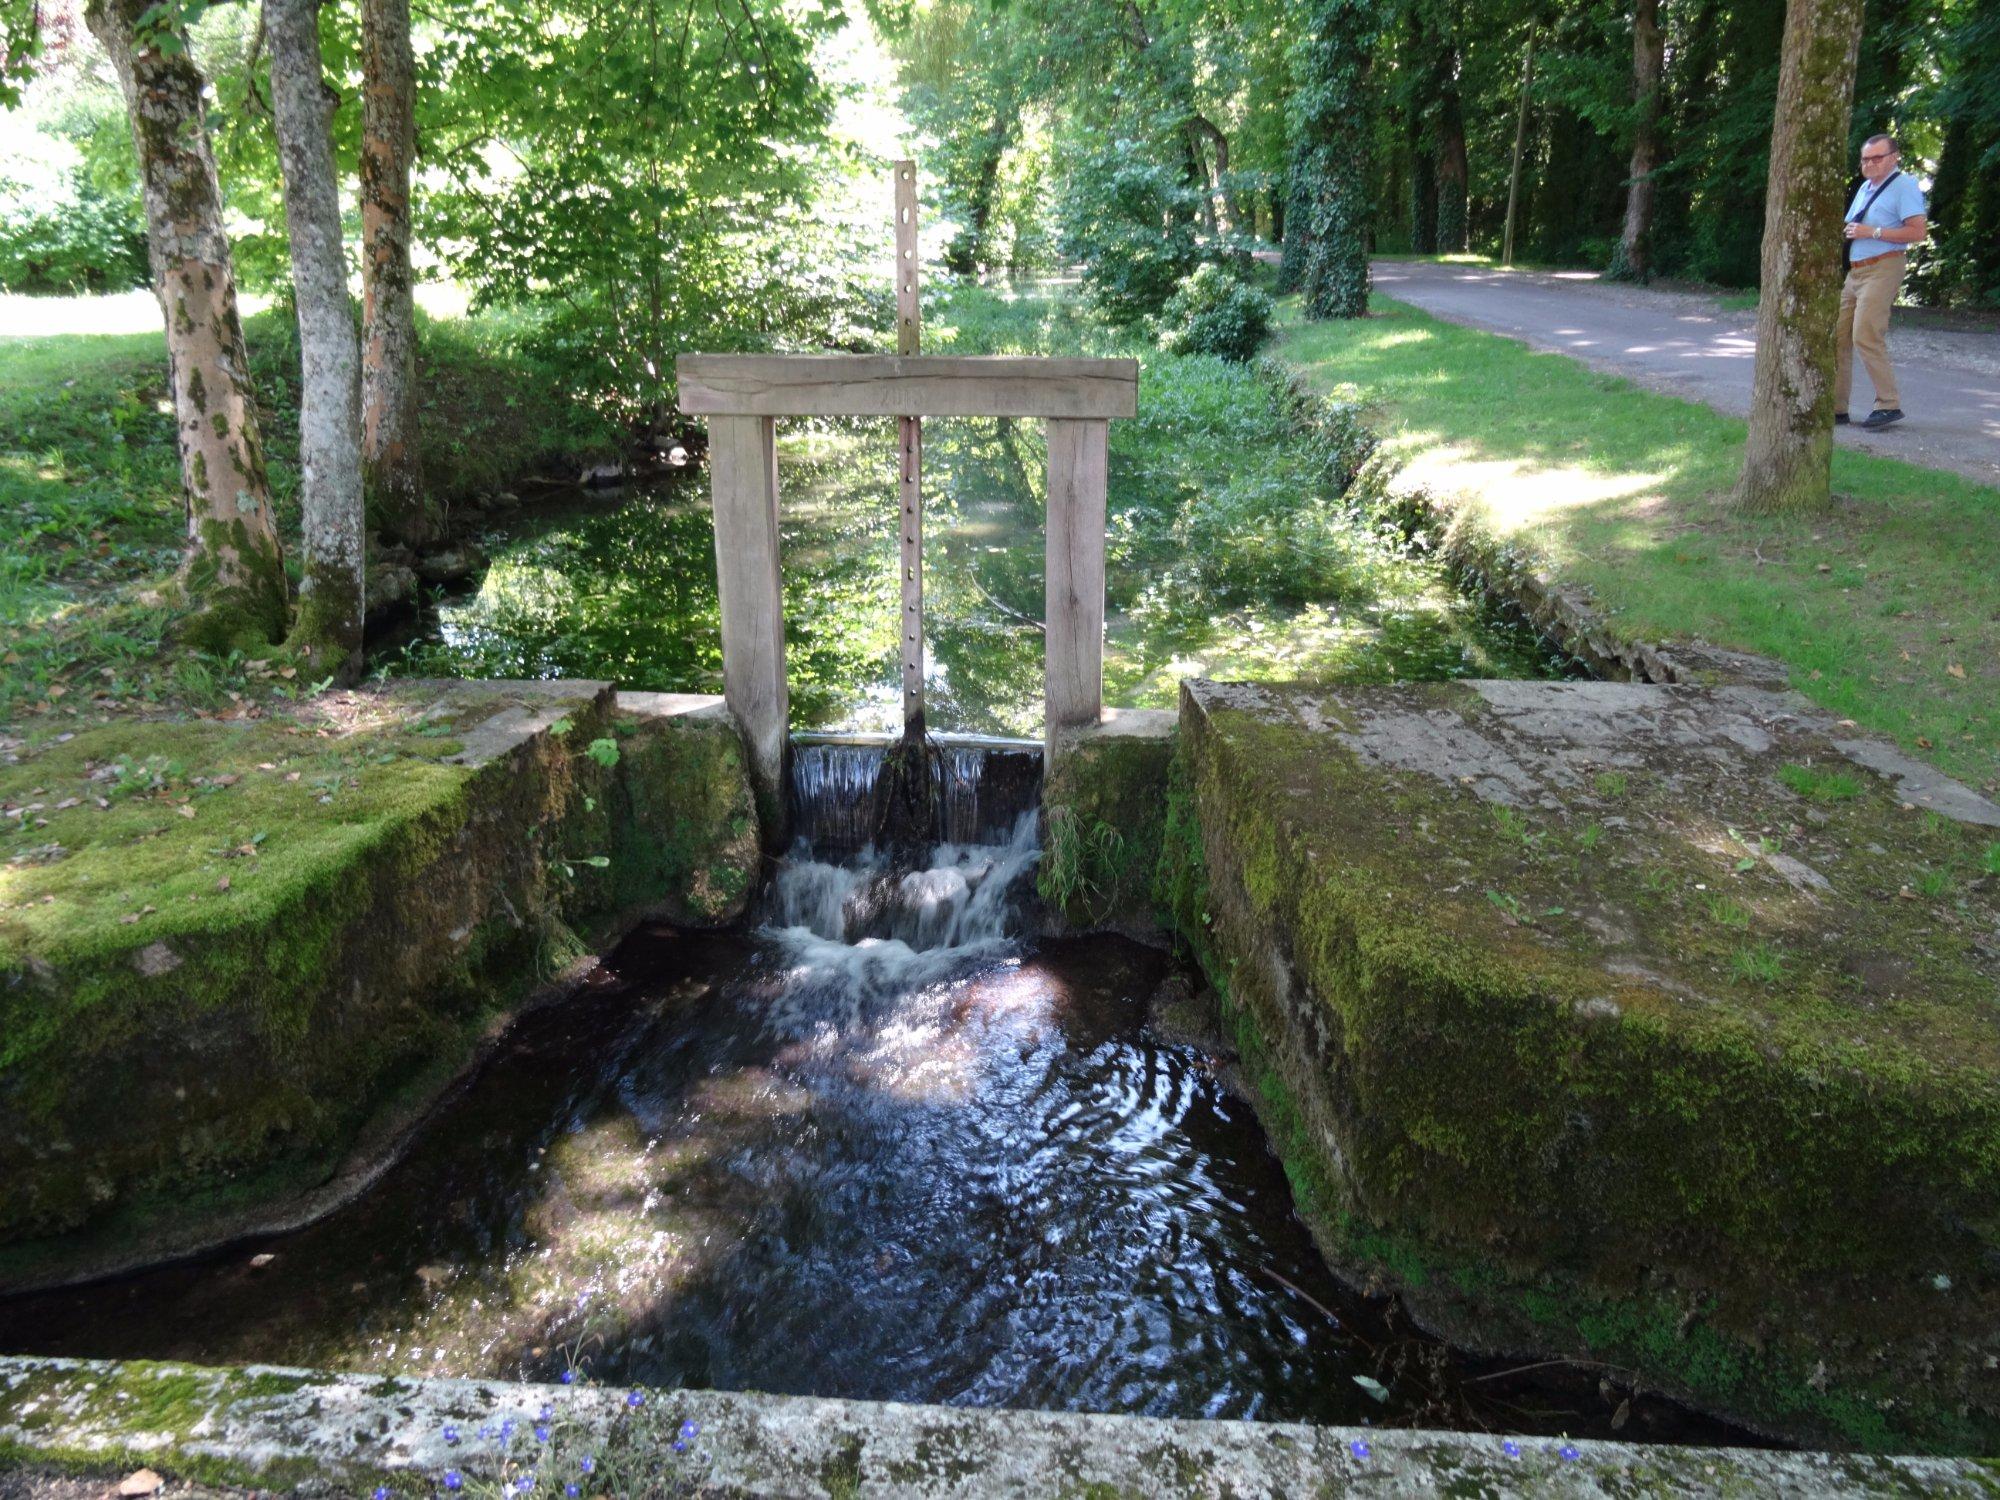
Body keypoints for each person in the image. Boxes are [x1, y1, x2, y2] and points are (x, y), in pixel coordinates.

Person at [1836, 134, 1927, 430]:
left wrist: (1871, 232)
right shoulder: (1865, 187)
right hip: (1856, 271)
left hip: (1884, 266)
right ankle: (1837, 408)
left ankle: (1888, 405)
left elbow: (1917, 232)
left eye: (1877, 158)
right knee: (1837, 336)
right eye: (1865, 159)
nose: (1870, 164)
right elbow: (1853, 227)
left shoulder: (1904, 186)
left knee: (1865, 333)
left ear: (1894, 157)